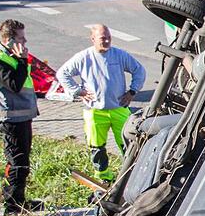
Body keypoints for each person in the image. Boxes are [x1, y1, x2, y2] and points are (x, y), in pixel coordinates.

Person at [56, 25, 146, 183]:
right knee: (97, 147)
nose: (106, 41)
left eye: (108, 37)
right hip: (94, 112)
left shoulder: (119, 55)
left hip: (119, 109)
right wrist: (78, 91)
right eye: (102, 38)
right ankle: (103, 178)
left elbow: (139, 70)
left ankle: (132, 177)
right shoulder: (83, 57)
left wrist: (132, 91)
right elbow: (62, 73)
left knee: (130, 144)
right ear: (93, 39)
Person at [0, 19, 40, 214]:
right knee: (16, 161)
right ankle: (12, 204)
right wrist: (23, 61)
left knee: (22, 161)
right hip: (10, 118)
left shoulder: (9, 57)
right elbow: (15, 85)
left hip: (20, 116)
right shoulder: (0, 60)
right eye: (21, 38)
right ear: (8, 40)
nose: (25, 42)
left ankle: (19, 200)